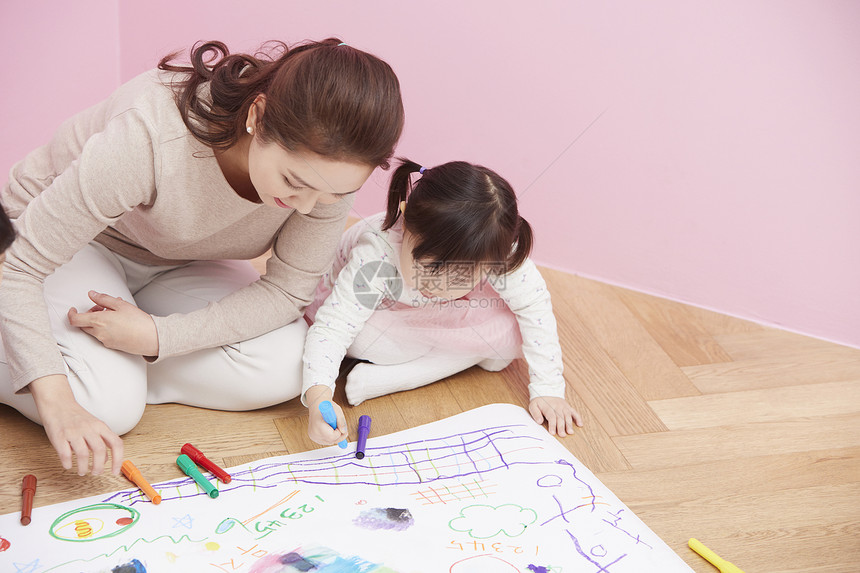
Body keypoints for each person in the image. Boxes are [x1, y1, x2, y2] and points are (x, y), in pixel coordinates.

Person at [0, 39, 404, 477]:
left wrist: (158, 337)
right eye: (293, 181)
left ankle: (107, 371)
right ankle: (87, 378)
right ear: (257, 116)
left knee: (289, 363)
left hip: (177, 258)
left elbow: (287, 291)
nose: (309, 208)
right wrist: (59, 401)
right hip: (70, 247)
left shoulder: (325, 176)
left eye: (334, 194)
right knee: (109, 408)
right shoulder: (152, 136)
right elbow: (18, 263)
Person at [302, 159, 583, 445]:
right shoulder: (378, 253)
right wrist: (319, 399)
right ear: (405, 218)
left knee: (515, 329)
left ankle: (401, 375)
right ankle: (442, 362)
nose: (440, 286)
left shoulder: (496, 247)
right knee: (360, 338)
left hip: (426, 321)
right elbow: (332, 328)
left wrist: (548, 389)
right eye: (431, 268)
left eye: (462, 277)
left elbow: (534, 307)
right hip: (375, 315)